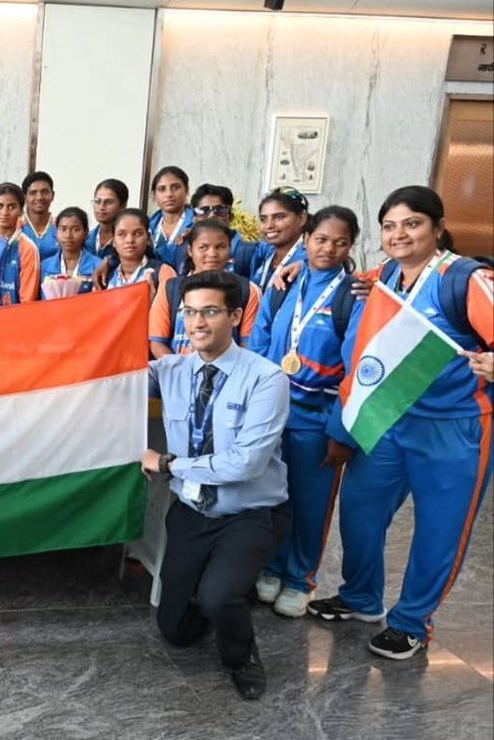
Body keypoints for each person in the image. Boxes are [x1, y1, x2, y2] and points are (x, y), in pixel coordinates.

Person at [309, 186, 493, 660]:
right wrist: (292, 270)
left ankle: (412, 621)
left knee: (439, 530)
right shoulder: (383, 278)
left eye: (411, 224)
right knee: (360, 511)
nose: (399, 234)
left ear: (437, 227)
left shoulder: (465, 280)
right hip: (388, 420)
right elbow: (332, 279)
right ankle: (361, 596)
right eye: (389, 226)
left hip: (455, 429)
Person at [141, 269, 291, 700]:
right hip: (191, 511)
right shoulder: (170, 369)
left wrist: (169, 464)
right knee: (176, 632)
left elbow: (245, 463)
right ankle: (210, 594)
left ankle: (242, 656)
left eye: (210, 311)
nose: (198, 323)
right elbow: (109, 378)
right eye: (189, 313)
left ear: (236, 315)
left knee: (220, 597)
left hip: (247, 513)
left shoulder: (266, 378)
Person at [250, 207, 360, 618]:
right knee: (272, 496)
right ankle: (272, 567)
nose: (328, 249)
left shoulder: (353, 295)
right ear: (307, 238)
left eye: (340, 242)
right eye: (320, 239)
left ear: (351, 246)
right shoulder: (283, 285)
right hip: (273, 413)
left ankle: (300, 579)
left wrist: (341, 431)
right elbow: (259, 344)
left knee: (311, 504)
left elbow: (357, 368)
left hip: (318, 417)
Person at [149, 219, 262, 358]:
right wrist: (180, 373)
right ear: (190, 250)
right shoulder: (170, 288)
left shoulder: (247, 290)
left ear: (230, 249)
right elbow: (157, 343)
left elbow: (248, 345)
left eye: (221, 247)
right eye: (203, 247)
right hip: (176, 374)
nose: (212, 254)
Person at [190, 184, 263, 281]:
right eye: (204, 210)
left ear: (231, 216)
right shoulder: (182, 251)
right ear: (194, 218)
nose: (212, 215)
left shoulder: (250, 252)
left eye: (220, 210)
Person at [101, 209, 176, 296]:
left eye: (137, 234)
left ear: (148, 238)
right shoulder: (105, 276)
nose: (129, 240)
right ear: (113, 240)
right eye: (122, 234)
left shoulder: (162, 272)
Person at [252, 186, 310, 289]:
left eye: (279, 217)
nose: (269, 225)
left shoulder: (310, 259)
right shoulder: (266, 252)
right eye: (263, 219)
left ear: (301, 218)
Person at [38, 207, 99, 295]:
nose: (68, 235)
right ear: (56, 232)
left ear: (86, 233)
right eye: (63, 229)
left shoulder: (98, 266)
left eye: (76, 230)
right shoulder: (43, 267)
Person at [148, 166, 195, 267]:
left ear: (186, 190)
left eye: (176, 187)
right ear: (154, 195)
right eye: (162, 189)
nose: (169, 194)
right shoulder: (148, 227)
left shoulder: (197, 224)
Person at [20, 171, 59, 261]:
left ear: (52, 195)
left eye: (44, 192)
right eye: (33, 193)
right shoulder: (16, 228)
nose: (39, 197)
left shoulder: (61, 227)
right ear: (25, 197)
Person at [88, 179, 129, 259]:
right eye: (97, 201)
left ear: (123, 206)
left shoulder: (128, 242)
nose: (101, 207)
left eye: (109, 202)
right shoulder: (86, 239)